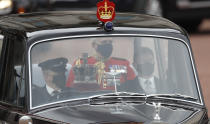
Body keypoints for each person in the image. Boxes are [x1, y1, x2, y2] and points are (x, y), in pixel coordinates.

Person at [66, 39, 137, 91]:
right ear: (94, 45)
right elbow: (70, 90)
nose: (108, 45)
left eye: (110, 42)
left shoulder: (123, 63)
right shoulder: (80, 64)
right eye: (104, 42)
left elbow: (134, 88)